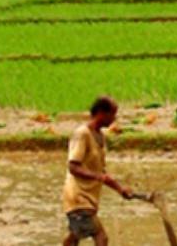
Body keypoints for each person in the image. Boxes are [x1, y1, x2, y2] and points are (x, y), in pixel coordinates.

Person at [63, 96, 135, 246]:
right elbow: (73, 166)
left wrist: (120, 189)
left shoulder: (100, 138)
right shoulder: (82, 134)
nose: (114, 119)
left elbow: (101, 173)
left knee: (74, 238)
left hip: (89, 199)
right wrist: (99, 177)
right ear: (101, 113)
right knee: (101, 237)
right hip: (78, 198)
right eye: (112, 114)